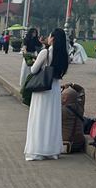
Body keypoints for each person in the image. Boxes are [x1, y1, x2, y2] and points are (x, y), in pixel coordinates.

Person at [24, 29, 70, 161]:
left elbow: (33, 70)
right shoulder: (63, 55)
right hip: (54, 87)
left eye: (50, 36)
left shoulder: (46, 52)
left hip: (43, 87)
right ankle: (52, 150)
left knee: (39, 118)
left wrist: (34, 61)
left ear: (53, 38)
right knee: (52, 119)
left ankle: (37, 150)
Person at [60, 83, 87, 154]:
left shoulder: (61, 110)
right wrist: (72, 85)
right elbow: (81, 90)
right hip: (78, 144)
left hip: (64, 145)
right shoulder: (80, 106)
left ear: (65, 99)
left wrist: (60, 90)